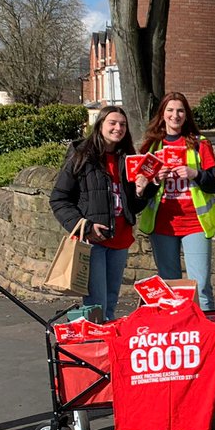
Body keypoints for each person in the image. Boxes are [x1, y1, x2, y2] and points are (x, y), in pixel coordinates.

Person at [49, 106, 151, 321]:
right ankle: (91, 348)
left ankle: (106, 349)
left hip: (120, 239)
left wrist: (142, 192)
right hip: (93, 242)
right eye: (112, 123)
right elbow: (59, 198)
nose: (118, 128)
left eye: (122, 124)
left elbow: (133, 206)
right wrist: (85, 227)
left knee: (111, 302)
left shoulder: (128, 157)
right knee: (96, 303)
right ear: (100, 125)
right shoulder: (82, 156)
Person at [137, 93, 215, 310]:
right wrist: (155, 180)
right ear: (162, 114)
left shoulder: (200, 143)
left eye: (180, 110)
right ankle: (176, 332)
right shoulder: (151, 146)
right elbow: (141, 191)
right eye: (170, 110)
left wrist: (195, 173)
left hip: (195, 223)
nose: (175, 115)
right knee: (169, 287)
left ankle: (205, 337)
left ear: (186, 115)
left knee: (200, 286)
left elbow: (214, 185)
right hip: (163, 225)